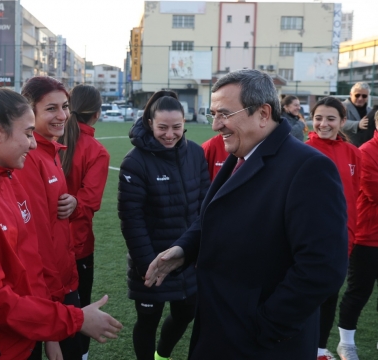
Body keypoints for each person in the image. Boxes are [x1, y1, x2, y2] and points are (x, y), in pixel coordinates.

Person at [145, 69, 348, 359]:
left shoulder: (308, 168)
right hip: (220, 329)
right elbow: (215, 217)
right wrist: (184, 249)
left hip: (259, 344)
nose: (216, 125)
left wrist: (265, 326)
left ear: (263, 113)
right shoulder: (240, 155)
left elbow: (323, 268)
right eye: (212, 114)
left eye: (224, 114)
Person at [0, 78, 122, 360]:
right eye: (27, 133)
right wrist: (72, 320)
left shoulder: (8, 179)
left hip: (22, 337)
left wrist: (47, 329)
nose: (34, 144)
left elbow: (31, 265)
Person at [118, 90, 209, 360]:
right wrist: (151, 264)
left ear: (184, 124)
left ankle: (162, 355)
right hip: (151, 262)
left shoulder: (194, 153)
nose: (170, 134)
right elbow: (131, 220)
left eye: (176, 127)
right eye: (162, 128)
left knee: (186, 314)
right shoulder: (135, 162)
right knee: (147, 321)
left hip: (187, 258)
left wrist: (192, 251)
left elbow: (205, 205)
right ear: (149, 124)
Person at [17, 76, 83, 359]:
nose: (62, 116)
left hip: (64, 281)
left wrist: (72, 202)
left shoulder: (51, 151)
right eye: (51, 109)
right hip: (49, 290)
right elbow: (35, 239)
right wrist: (50, 327)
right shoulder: (29, 157)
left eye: (65, 107)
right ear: (29, 111)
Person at [304, 97, 362, 360]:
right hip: (308, 239)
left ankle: (319, 350)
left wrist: (350, 232)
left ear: (342, 121)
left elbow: (355, 194)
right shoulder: (302, 150)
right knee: (305, 297)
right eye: (318, 118)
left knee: (329, 296)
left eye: (330, 118)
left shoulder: (353, 154)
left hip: (342, 238)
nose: (323, 124)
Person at [58, 84, 110, 359]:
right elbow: (90, 202)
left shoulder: (46, 142)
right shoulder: (96, 151)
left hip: (41, 245)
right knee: (79, 313)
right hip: (77, 247)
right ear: (97, 114)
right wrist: (76, 203)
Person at [336, 110, 378, 360]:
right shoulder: (366, 151)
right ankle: (346, 343)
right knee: (358, 292)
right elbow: (374, 191)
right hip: (368, 236)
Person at [342, 82, 371, 147]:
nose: (360, 98)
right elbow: (338, 123)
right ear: (351, 94)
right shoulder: (341, 106)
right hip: (346, 147)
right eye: (357, 95)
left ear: (368, 96)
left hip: (364, 149)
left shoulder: (370, 110)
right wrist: (358, 124)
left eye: (364, 96)